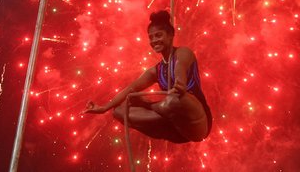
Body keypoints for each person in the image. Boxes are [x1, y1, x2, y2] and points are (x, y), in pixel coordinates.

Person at [82, 10, 212, 143]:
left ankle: (150, 105)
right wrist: (104, 108)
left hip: (197, 122)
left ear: (171, 35)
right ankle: (160, 112)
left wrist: (180, 83)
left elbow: (180, 67)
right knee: (119, 112)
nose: (154, 40)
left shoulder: (183, 52)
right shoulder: (155, 71)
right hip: (176, 128)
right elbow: (131, 88)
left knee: (176, 99)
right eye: (151, 37)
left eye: (158, 35)